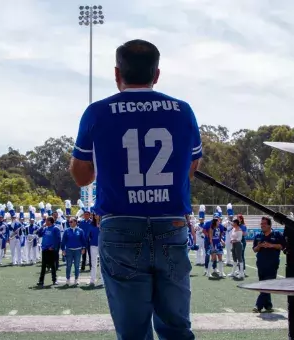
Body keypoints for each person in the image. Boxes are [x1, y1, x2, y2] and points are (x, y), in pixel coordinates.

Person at [70, 39, 202, 340]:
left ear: (118, 74)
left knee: (132, 332)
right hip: (171, 222)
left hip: (120, 226)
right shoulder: (183, 111)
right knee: (177, 328)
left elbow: (81, 177)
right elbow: (192, 166)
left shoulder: (97, 112)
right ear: (156, 75)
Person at [252, 216, 286, 313]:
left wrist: (271, 245)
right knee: (263, 284)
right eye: (261, 224)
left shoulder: (277, 234)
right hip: (261, 264)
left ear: (269, 225)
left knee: (268, 284)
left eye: (264, 224)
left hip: (272, 264)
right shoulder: (258, 235)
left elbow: (282, 246)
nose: (262, 225)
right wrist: (259, 246)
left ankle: (258, 305)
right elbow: (254, 249)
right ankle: (268, 305)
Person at [37, 217, 61, 287]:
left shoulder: (55, 228)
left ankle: (54, 280)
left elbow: (58, 239)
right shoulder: (45, 228)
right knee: (43, 266)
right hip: (45, 249)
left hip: (51, 250)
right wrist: (42, 227)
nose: (45, 222)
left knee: (53, 265)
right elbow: (39, 234)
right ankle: (41, 281)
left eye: (46, 221)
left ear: (50, 222)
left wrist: (53, 247)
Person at [61, 217, 86, 286]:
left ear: (75, 222)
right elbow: (63, 241)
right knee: (68, 265)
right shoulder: (66, 231)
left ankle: (76, 279)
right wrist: (63, 250)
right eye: (69, 222)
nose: (70, 223)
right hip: (69, 250)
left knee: (77, 266)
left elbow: (83, 240)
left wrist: (83, 248)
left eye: (71, 222)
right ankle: (68, 279)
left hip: (78, 250)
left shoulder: (80, 231)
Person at [89, 213, 103, 286]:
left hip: (102, 246)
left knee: (102, 264)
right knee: (93, 264)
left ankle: (102, 281)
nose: (96, 216)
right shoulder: (91, 225)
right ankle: (92, 280)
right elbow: (89, 235)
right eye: (95, 215)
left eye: (97, 214)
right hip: (93, 246)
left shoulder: (103, 223)